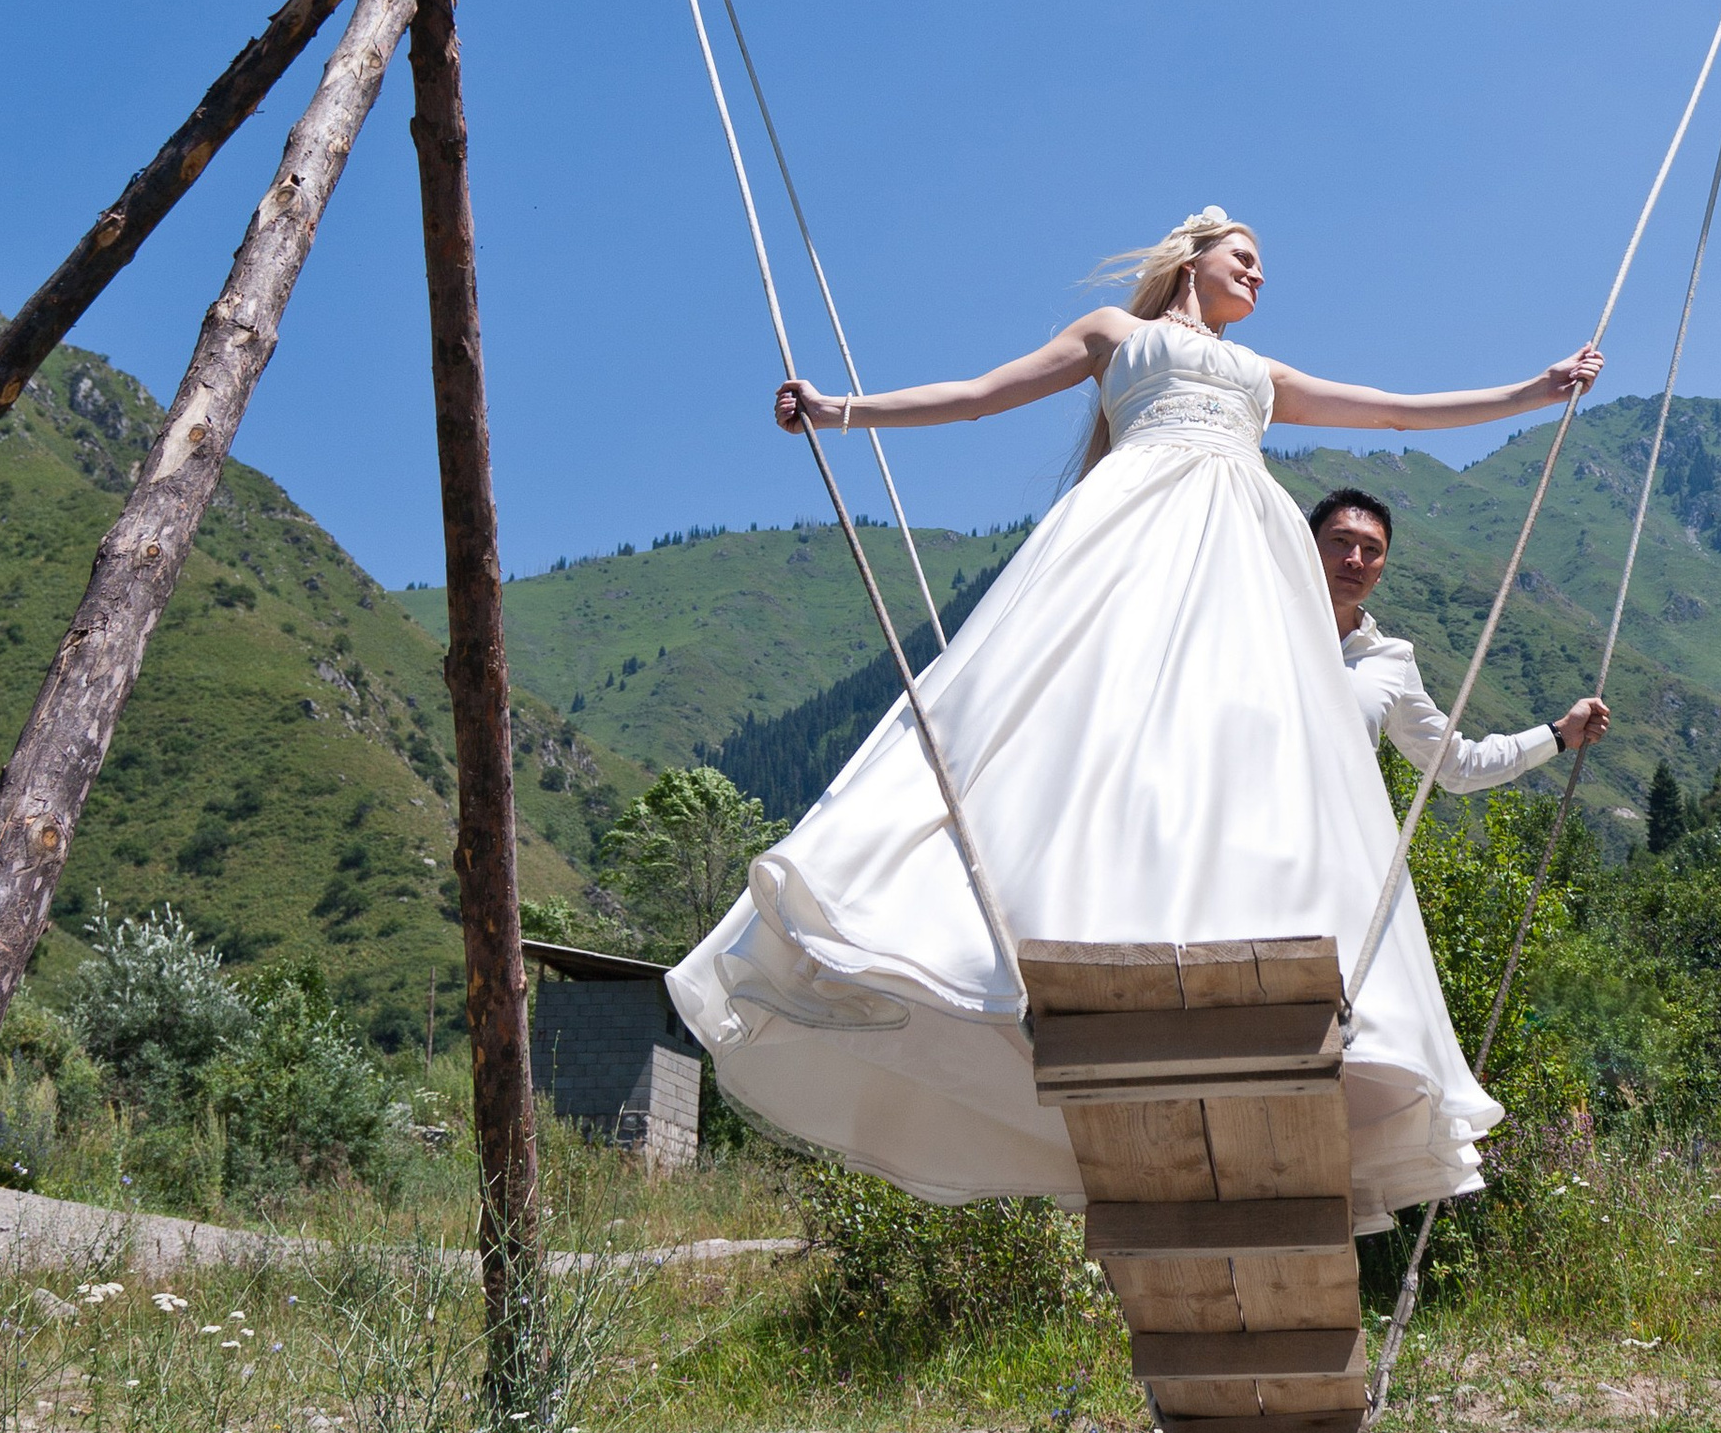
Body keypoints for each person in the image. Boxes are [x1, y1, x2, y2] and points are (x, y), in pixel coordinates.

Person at [665, 207, 1602, 1229]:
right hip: (1131, 539)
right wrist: (840, 411)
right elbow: (982, 396)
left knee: (1246, 747)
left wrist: (1533, 391)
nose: (1257, 271)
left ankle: (1238, 945)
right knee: (1097, 716)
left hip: (1243, 558)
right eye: (1242, 253)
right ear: (1191, 257)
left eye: (1263, 265)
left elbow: (1392, 412)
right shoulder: (1118, 336)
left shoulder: (1261, 375)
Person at [1310, 487, 1610, 789]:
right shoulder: (1263, 627)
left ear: (1381, 571)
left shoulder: (1391, 661)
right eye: (1341, 541)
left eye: (1372, 549)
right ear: (1306, 547)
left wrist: (1559, 734)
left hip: (1336, 835)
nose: (1355, 559)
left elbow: (1457, 766)